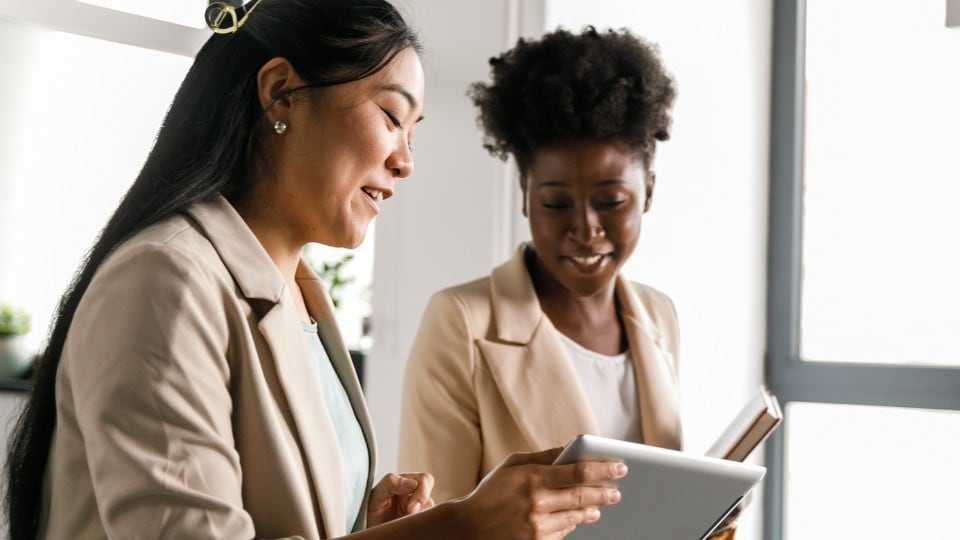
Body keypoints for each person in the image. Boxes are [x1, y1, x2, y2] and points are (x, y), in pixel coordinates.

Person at [3, 2, 627, 538]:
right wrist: (456, 528)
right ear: (281, 92)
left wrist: (375, 525)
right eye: (390, 116)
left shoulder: (300, 297)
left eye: (415, 132)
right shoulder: (165, 279)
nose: (406, 161)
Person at [399, 26, 740, 539]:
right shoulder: (461, 323)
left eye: (611, 202)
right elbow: (431, 525)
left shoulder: (659, 317)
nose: (585, 229)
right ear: (524, 195)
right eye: (556, 203)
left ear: (647, 190)